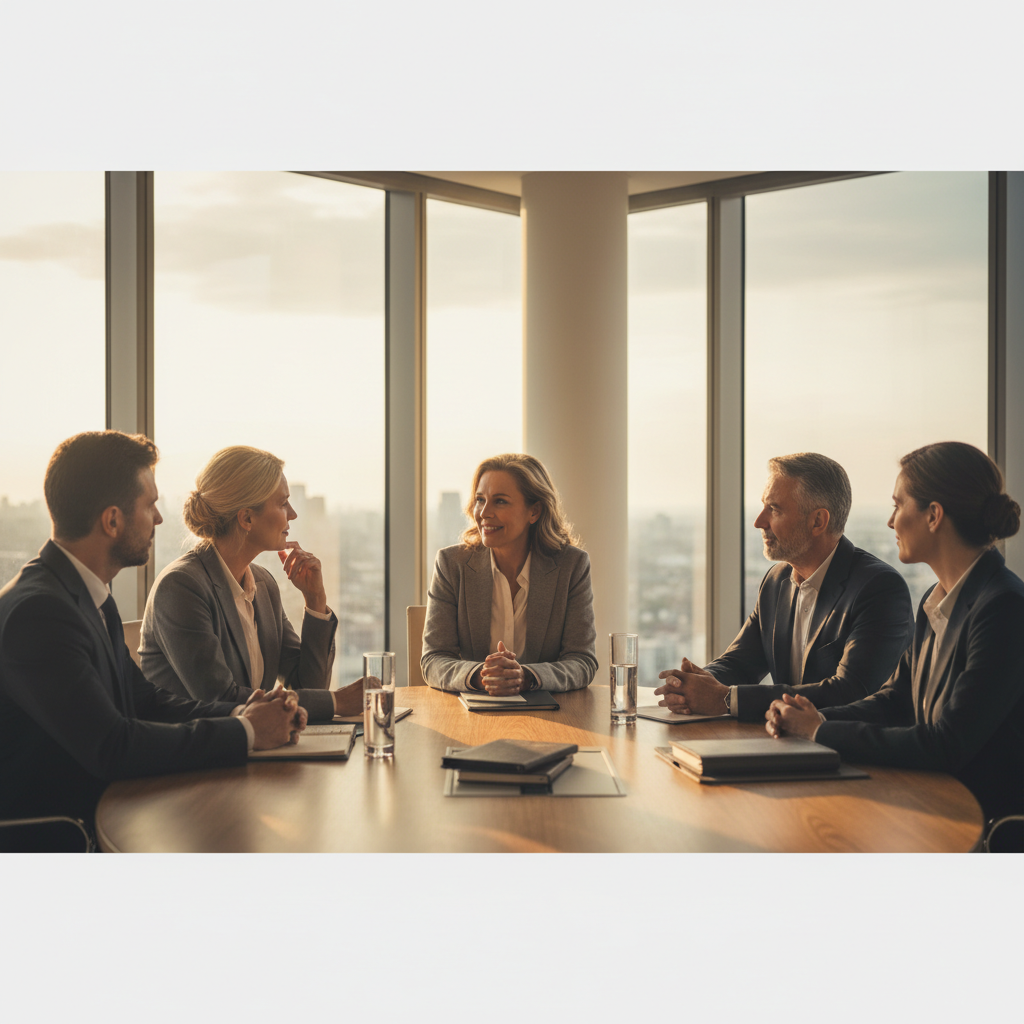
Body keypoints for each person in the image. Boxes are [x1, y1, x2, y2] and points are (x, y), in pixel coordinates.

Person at [0, 431, 304, 836]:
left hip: (112, 812)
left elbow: (145, 701)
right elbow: (112, 745)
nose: (160, 519)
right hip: (61, 837)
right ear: (112, 520)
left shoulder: (91, 597)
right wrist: (247, 732)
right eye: (150, 505)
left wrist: (245, 715)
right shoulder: (39, 612)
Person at [767, 442, 1024, 822]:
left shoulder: (1004, 608)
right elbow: (894, 701)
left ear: (933, 515)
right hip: (931, 806)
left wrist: (820, 732)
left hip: (978, 827)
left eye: (898, 505)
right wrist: (804, 716)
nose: (891, 522)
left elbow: (947, 743)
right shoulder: (936, 602)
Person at [655, 452, 914, 721]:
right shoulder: (776, 581)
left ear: (818, 521)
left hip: (852, 756)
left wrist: (725, 699)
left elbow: (851, 691)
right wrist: (695, 684)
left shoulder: (879, 588)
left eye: (774, 509)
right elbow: (742, 662)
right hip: (787, 744)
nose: (759, 522)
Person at [140, 446, 362, 721]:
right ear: (246, 518)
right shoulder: (180, 587)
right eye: (283, 503)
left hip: (254, 751)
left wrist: (315, 600)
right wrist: (337, 702)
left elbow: (308, 686)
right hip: (196, 759)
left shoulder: (263, 584)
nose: (292, 514)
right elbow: (222, 700)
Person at [421, 453, 597, 694]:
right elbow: (433, 659)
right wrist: (482, 676)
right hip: (471, 715)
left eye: (500, 501)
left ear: (534, 512)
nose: (483, 513)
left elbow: (582, 661)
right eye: (480, 499)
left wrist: (527, 677)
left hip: (553, 717)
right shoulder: (452, 565)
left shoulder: (571, 566)